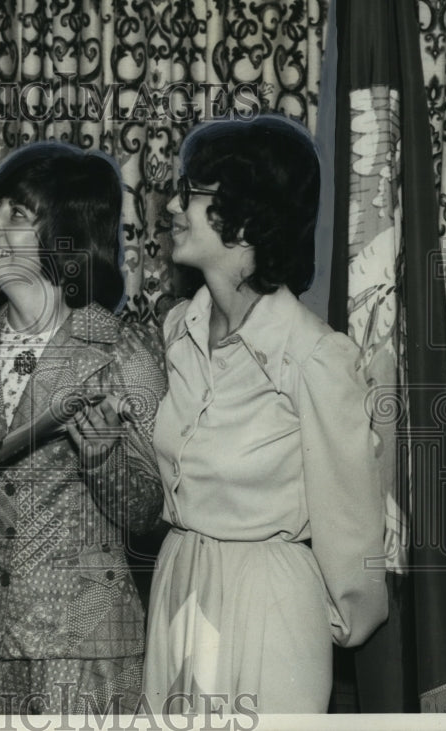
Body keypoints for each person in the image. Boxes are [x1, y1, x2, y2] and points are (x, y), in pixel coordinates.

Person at [0, 142, 167, 715]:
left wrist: (103, 460)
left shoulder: (124, 349)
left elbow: (147, 512)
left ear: (65, 234)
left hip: (83, 651)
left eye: (16, 213)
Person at [137, 114, 388, 713]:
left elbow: (351, 524)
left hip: (270, 603)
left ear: (245, 220)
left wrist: (312, 616)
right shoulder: (178, 329)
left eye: (189, 192)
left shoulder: (315, 357)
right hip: (178, 582)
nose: (172, 206)